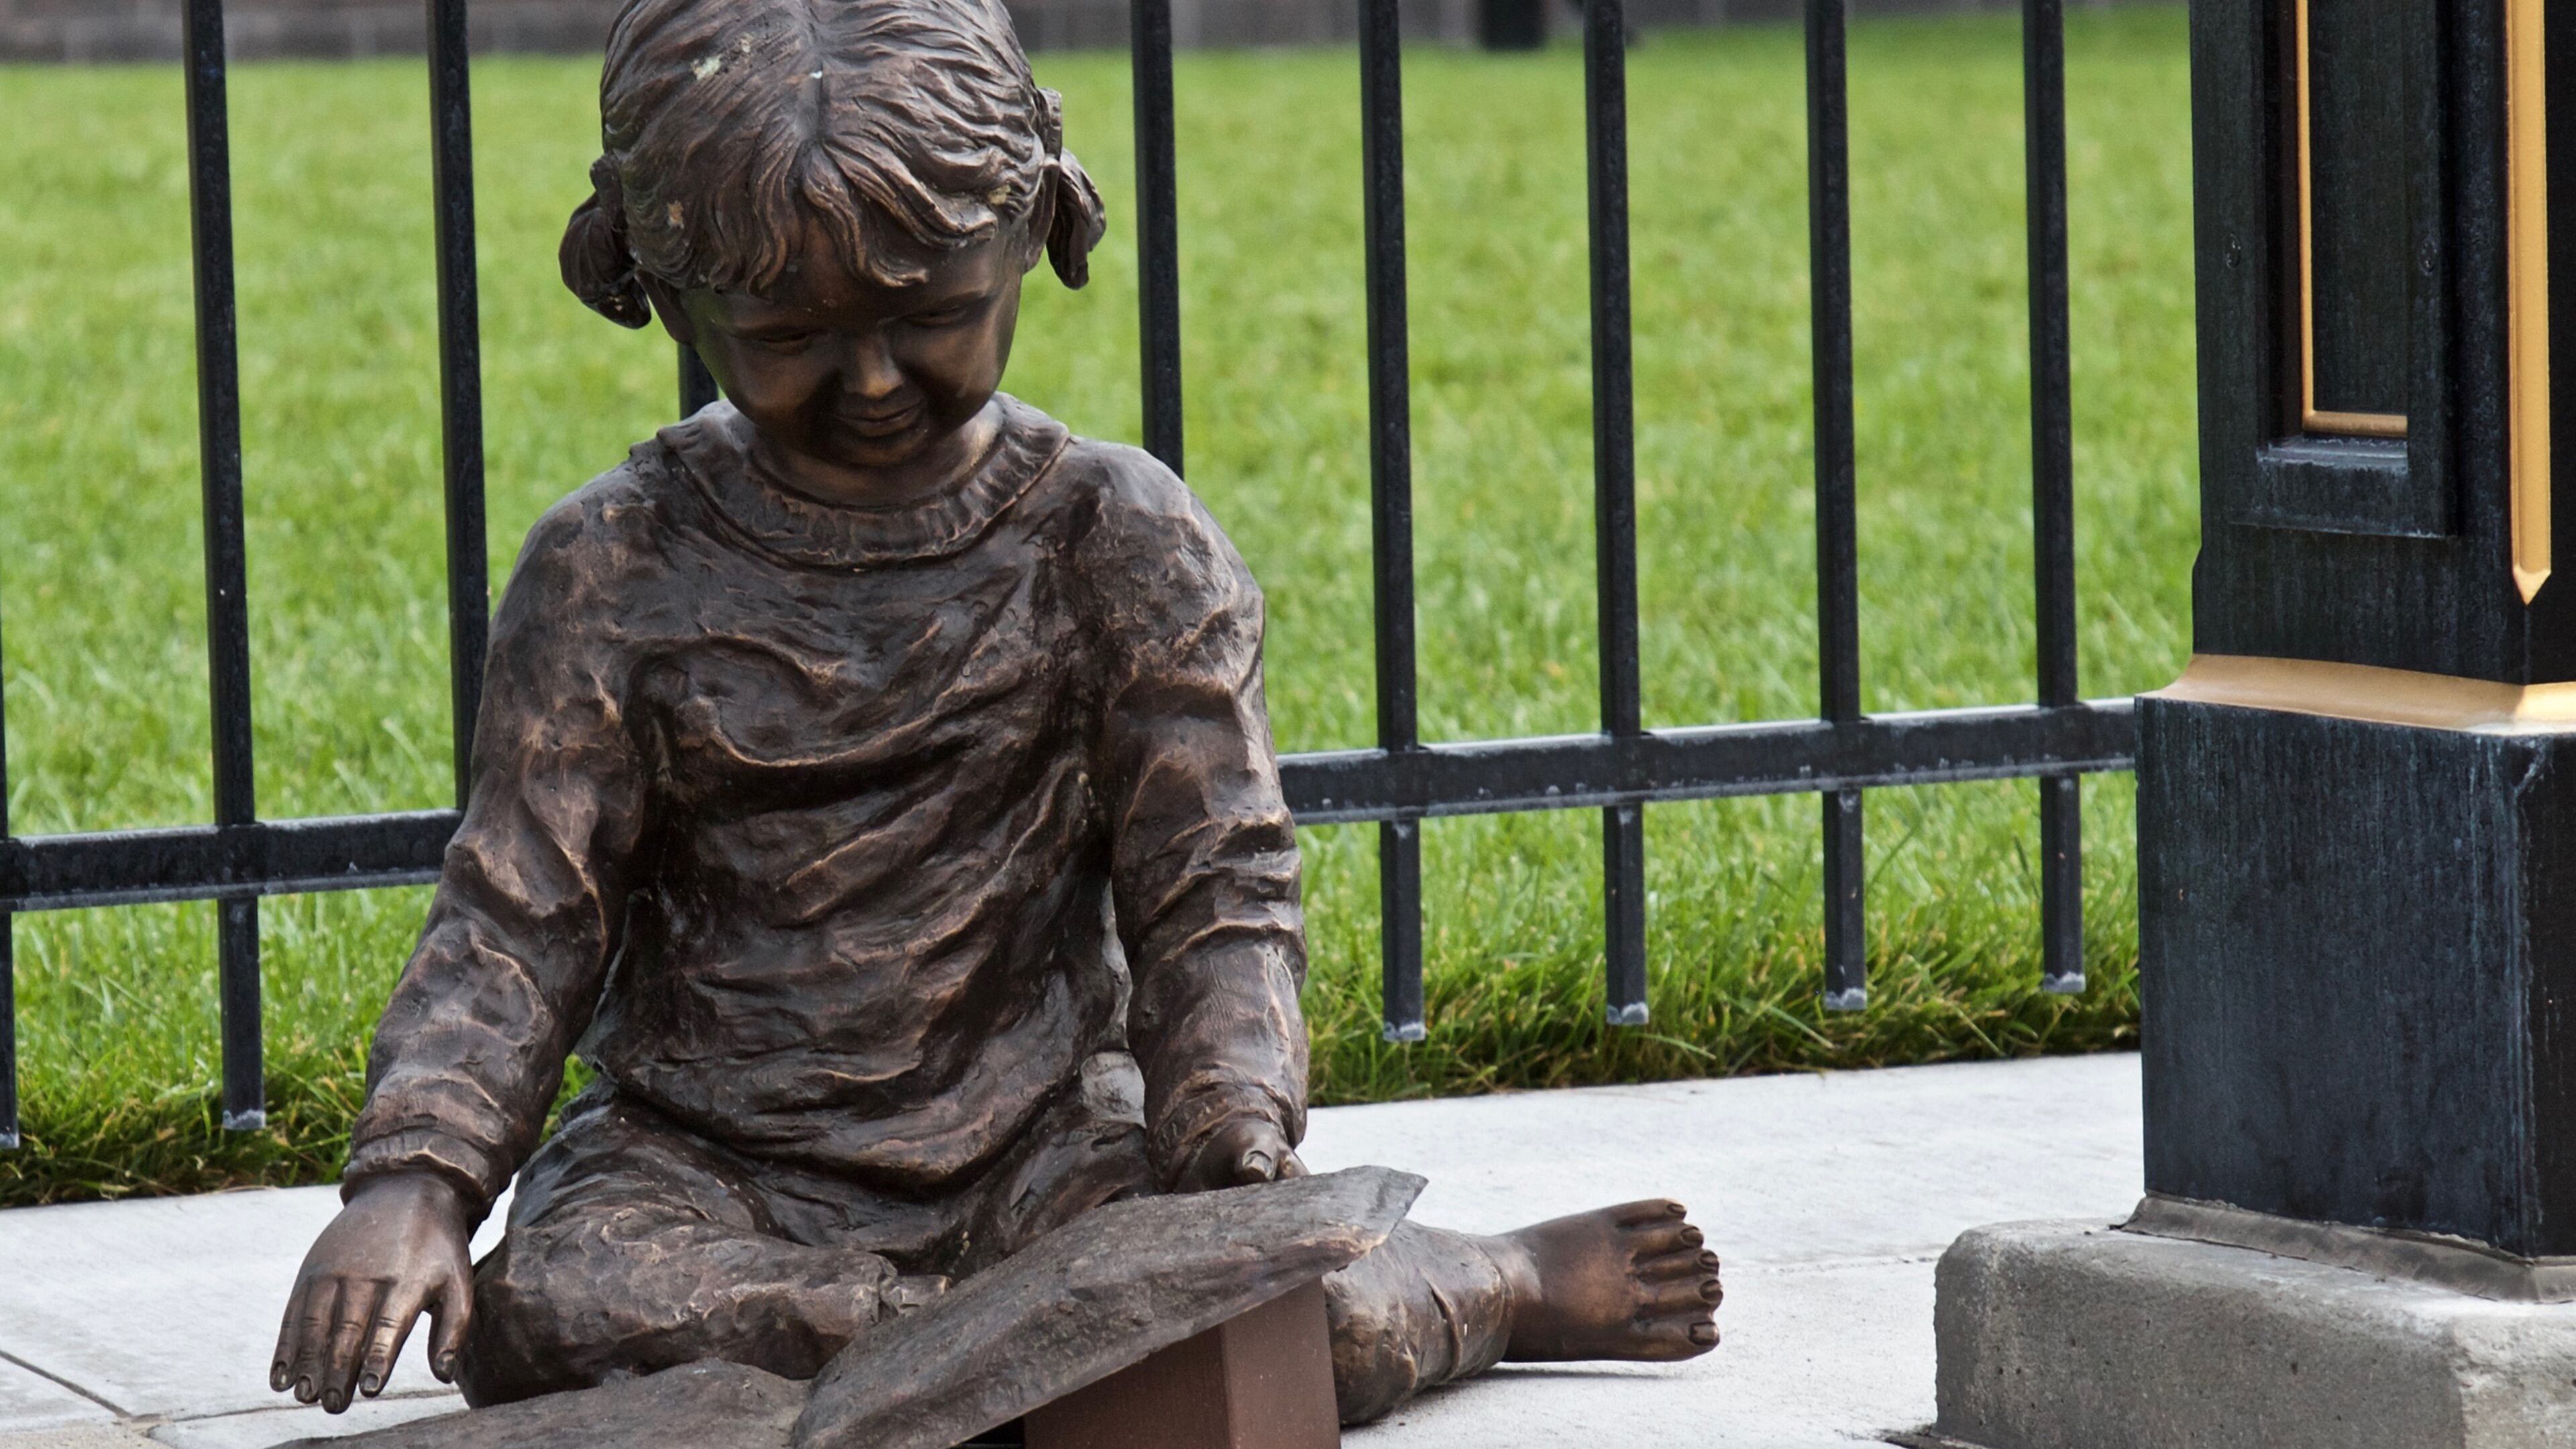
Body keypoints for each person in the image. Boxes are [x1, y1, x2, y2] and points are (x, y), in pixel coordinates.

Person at [266, 0, 1722, 1425]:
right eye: (790, 336)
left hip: (1041, 1147)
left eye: (937, 315)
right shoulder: (610, 567)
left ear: (1036, 232)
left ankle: (1496, 1281)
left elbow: (1213, 880)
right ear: (659, 282)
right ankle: (967, 1358)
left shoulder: (1115, 536)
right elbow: (520, 910)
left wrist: (1230, 1133)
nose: (877, 377)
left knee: (1296, 1314)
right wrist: (416, 1186)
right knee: (537, 1309)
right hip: (703, 1163)